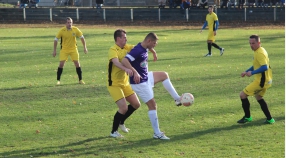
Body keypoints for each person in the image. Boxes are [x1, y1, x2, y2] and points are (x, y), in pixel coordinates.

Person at [121, 33, 182, 140]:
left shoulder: (144, 46)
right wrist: (135, 72)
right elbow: (124, 60)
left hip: (146, 77)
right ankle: (157, 133)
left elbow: (147, 49)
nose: (155, 45)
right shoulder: (137, 50)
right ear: (149, 41)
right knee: (152, 105)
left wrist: (153, 51)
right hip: (139, 83)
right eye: (154, 43)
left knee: (164, 75)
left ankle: (177, 99)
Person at [107, 29, 142, 138]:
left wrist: (151, 49)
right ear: (118, 39)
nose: (126, 39)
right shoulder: (113, 49)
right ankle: (113, 132)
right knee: (123, 108)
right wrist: (125, 69)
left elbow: (139, 47)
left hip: (125, 83)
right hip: (114, 84)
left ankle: (121, 122)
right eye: (124, 37)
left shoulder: (126, 47)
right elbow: (116, 62)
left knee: (136, 104)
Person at [237, 35, 275, 124]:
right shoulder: (259, 50)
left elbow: (264, 67)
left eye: (253, 43)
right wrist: (246, 71)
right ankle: (270, 119)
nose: (251, 45)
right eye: (250, 43)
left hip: (261, 81)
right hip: (267, 80)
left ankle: (247, 117)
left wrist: (252, 73)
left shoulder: (260, 53)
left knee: (242, 95)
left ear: (259, 43)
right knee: (259, 97)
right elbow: (256, 65)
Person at [53, 17, 88, 85]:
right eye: (68, 23)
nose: (69, 24)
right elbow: (55, 40)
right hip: (64, 50)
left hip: (73, 49)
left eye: (71, 22)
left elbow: (82, 38)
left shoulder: (75, 29)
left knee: (77, 63)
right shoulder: (62, 30)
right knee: (61, 64)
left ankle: (80, 80)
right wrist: (54, 50)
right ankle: (58, 80)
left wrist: (85, 47)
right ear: (65, 23)